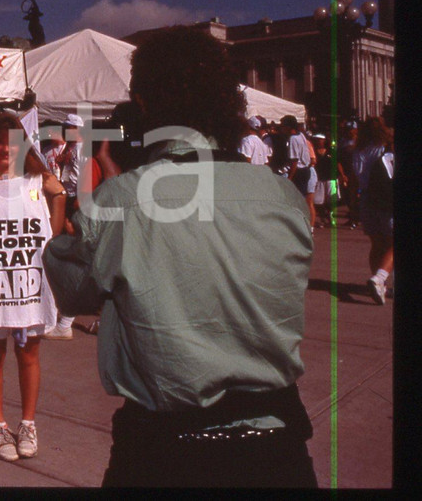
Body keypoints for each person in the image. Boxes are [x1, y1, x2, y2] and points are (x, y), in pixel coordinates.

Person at [44, 26, 317, 487]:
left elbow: (72, 293)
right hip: (277, 445)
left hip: (164, 450)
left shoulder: (121, 202)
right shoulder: (283, 196)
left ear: (147, 104)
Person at [0, 113, 66, 462]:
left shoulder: (36, 183)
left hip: (29, 286)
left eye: (12, 140)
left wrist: (52, 237)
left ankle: (27, 423)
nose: (5, 148)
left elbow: (56, 211)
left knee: (28, 355)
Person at [43, 113, 84, 340]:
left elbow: (79, 180)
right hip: (70, 199)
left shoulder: (79, 149)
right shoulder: (72, 149)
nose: (67, 131)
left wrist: (75, 206)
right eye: (66, 127)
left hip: (75, 200)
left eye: (71, 127)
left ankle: (66, 322)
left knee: (76, 259)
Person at [353, 117, 394, 305]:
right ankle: (379, 278)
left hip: (367, 201)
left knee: (376, 244)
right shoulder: (386, 148)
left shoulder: (359, 150)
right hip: (387, 201)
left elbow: (357, 176)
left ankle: (379, 285)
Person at [282, 115, 317, 229]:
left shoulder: (292, 139)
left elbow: (294, 161)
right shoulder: (301, 135)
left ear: (288, 127)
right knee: (303, 200)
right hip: (306, 170)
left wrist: (290, 178)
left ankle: (300, 225)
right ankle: (306, 225)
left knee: (296, 201)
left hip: (299, 172)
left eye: (283, 126)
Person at [311, 134, 338, 228]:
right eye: (317, 140)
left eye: (321, 140)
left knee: (332, 199)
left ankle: (331, 216)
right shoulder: (313, 151)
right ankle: (322, 217)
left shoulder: (331, 151)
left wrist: (342, 175)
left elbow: (338, 163)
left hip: (331, 178)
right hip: (319, 178)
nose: (319, 142)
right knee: (318, 201)